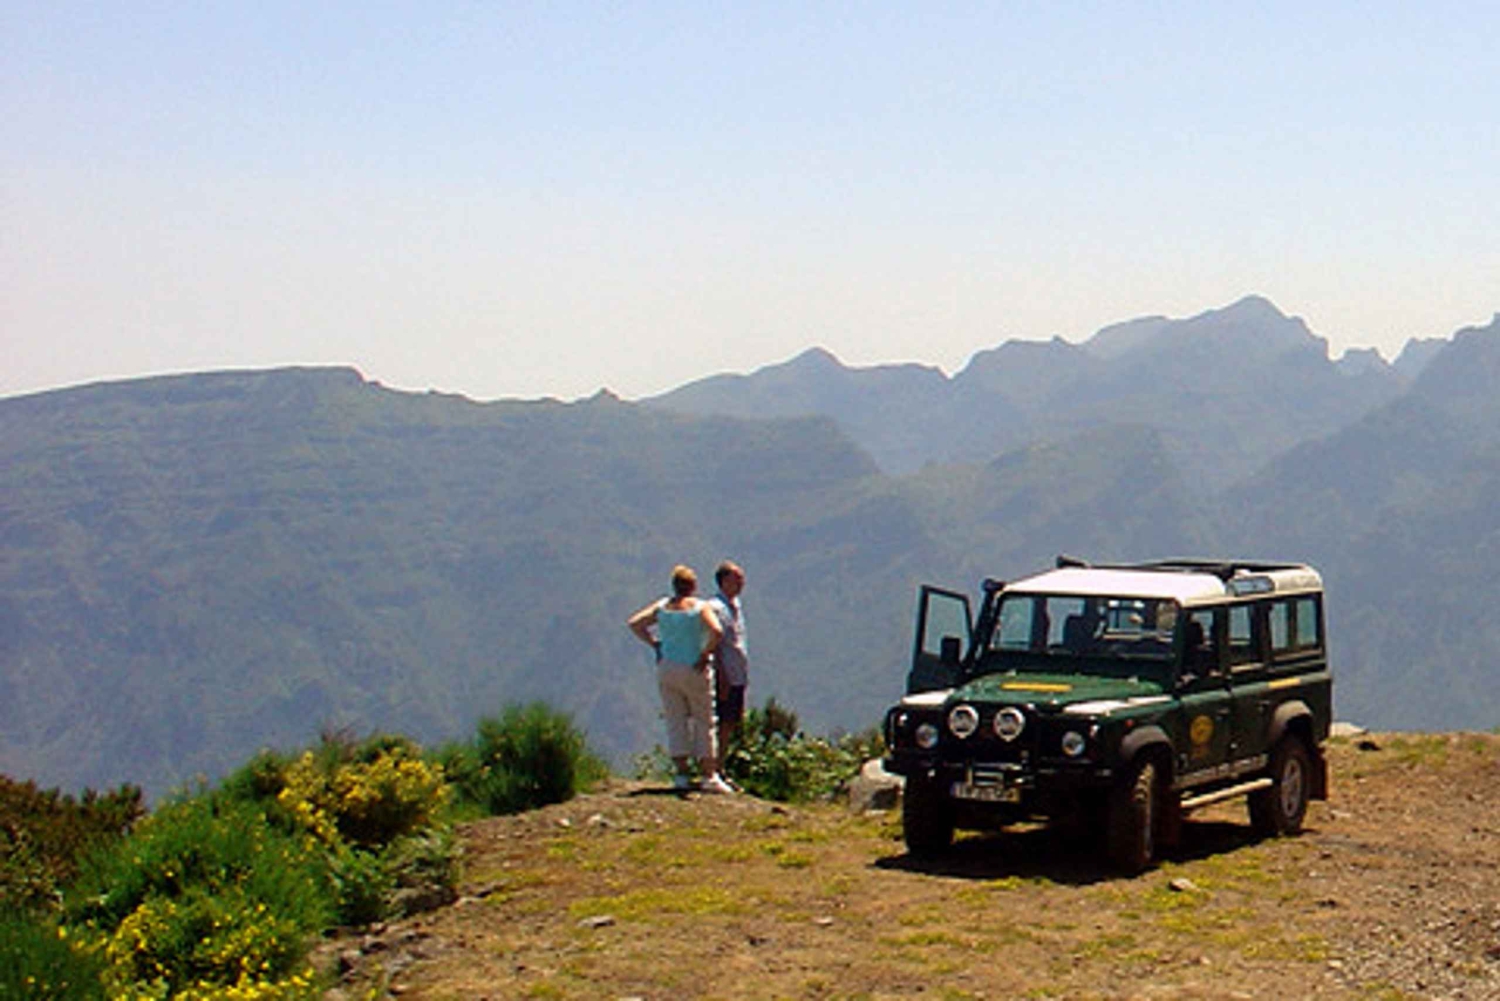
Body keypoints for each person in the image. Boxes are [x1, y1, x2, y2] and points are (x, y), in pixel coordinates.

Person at [627, 565, 732, 793]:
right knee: (704, 720)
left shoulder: (663, 606)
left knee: (675, 719)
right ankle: (708, 774)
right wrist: (705, 653)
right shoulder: (700, 607)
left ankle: (682, 773)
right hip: (694, 668)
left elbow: (635, 623)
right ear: (693, 586)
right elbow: (717, 631)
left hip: (667, 667)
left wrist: (655, 643)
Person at [706, 560, 749, 767]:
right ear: (723, 581)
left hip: (737, 673)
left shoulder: (736, 606)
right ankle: (713, 768)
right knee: (721, 723)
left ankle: (720, 766)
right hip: (725, 675)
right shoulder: (716, 608)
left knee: (731, 722)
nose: (742, 583)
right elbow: (714, 644)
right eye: (736, 578)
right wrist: (721, 675)